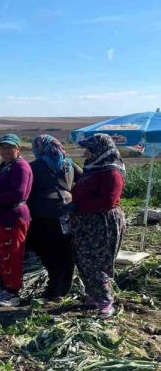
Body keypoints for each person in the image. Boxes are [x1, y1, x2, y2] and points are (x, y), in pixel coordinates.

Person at [63, 134, 125, 319]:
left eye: (89, 148)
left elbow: (109, 200)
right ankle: (94, 296)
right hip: (85, 222)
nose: (85, 151)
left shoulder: (111, 171)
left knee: (97, 261)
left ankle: (106, 302)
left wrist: (79, 206)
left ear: (99, 149)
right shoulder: (94, 168)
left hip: (102, 223)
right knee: (83, 260)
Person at [26, 135, 82, 301]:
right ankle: (62, 288)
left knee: (47, 250)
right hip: (67, 212)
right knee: (65, 250)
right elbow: (85, 179)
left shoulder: (35, 166)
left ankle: (54, 287)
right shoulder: (69, 164)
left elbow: (25, 188)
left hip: (43, 213)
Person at [0, 134, 33, 307]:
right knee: (0, 254)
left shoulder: (20, 167)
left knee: (12, 254)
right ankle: (4, 288)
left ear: (17, 149)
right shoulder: (5, 167)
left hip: (14, 215)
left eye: (9, 147)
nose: (5, 151)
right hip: (0, 215)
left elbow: (19, 193)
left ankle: (13, 293)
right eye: (2, 148)